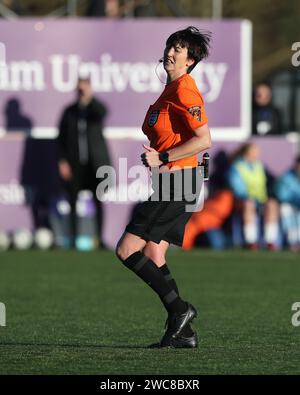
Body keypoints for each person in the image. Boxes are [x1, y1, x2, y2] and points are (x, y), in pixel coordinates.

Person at [116, 26, 212, 348]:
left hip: (179, 180)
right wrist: (160, 157)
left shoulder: (185, 89)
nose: (171, 51)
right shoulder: (170, 89)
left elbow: (204, 140)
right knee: (154, 252)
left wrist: (164, 157)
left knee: (127, 249)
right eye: (171, 44)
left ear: (190, 61)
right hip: (175, 180)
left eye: (179, 48)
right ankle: (184, 335)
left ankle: (180, 311)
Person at [57, 76, 111, 248]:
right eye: (79, 89)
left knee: (98, 200)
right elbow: (61, 139)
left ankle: (99, 239)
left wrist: (90, 98)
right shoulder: (69, 111)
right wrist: (62, 161)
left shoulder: (94, 109)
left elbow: (103, 113)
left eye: (84, 88)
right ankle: (72, 239)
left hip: (94, 164)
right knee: (72, 201)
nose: (81, 92)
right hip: (75, 164)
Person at [228, 142, 279, 250]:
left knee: (272, 205)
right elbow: (237, 188)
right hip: (242, 200)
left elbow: (270, 181)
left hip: (260, 199)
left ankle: (270, 241)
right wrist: (248, 197)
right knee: (249, 204)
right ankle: (250, 241)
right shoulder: (237, 167)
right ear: (247, 153)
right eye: (254, 151)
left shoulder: (259, 165)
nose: (257, 154)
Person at [276, 156, 300, 251]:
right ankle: (292, 241)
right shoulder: (286, 177)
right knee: (286, 211)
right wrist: (295, 201)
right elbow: (282, 194)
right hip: (289, 204)